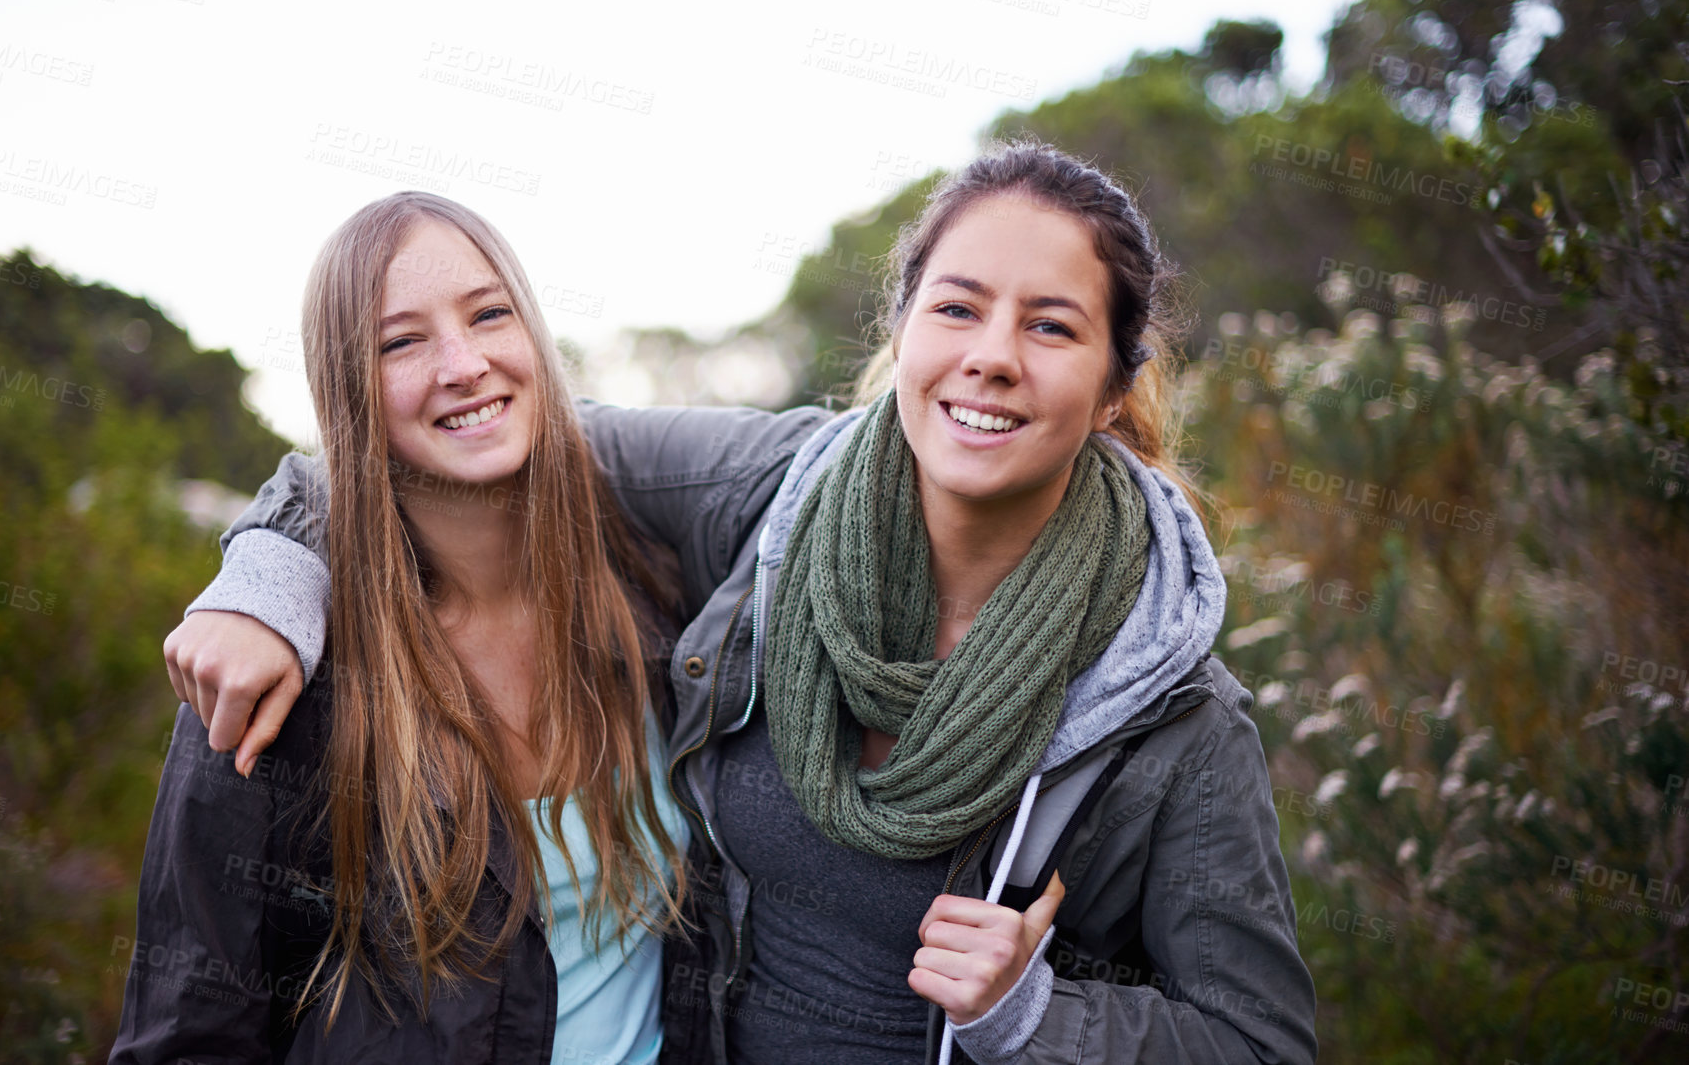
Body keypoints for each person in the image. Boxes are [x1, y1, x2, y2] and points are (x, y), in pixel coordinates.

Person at [163, 144, 1319, 1063]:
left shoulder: (1165, 708)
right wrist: (270, 567)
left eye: (1053, 325)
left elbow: (1261, 1041)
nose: (995, 357)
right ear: (904, 333)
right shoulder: (774, 503)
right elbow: (461, 443)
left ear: (1118, 381)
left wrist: (1034, 1018)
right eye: (958, 309)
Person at [113, 192, 754, 1063]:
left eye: (490, 314)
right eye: (401, 341)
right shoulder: (274, 670)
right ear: (351, 387)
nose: (463, 363)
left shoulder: (655, 590)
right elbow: (190, 1030)